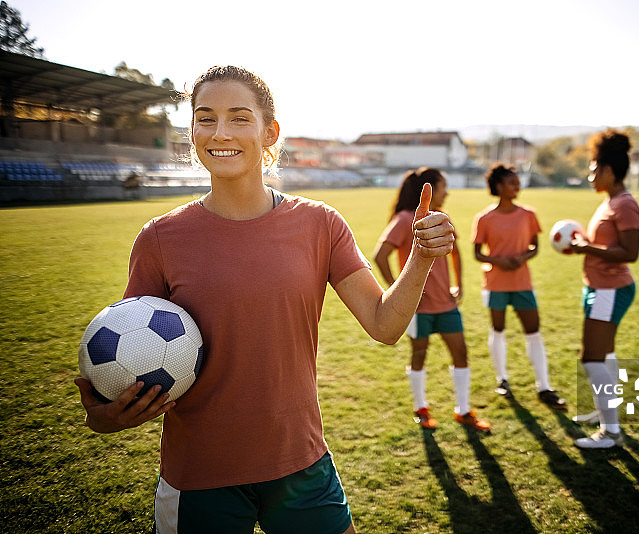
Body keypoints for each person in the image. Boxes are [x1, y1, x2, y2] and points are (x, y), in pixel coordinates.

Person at [74, 65, 456, 534]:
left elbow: (384, 324)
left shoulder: (320, 223)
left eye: (239, 117)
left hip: (301, 463)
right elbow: (129, 360)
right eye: (205, 118)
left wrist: (421, 256)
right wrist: (107, 416)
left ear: (269, 131)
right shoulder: (160, 239)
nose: (220, 132)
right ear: (192, 130)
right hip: (199, 476)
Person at [374, 168, 490, 433]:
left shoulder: (441, 217)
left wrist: (458, 285)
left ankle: (463, 410)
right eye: (443, 186)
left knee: (461, 352)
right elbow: (380, 255)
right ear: (429, 189)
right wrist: (400, 290)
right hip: (418, 309)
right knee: (420, 355)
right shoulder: (405, 219)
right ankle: (421, 408)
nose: (447, 192)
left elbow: (456, 251)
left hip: (446, 305)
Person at [471, 164, 566, 409]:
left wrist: (522, 258)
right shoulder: (484, 218)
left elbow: (535, 247)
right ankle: (502, 379)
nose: (517, 186)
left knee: (533, 330)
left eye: (518, 182)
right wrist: (499, 261)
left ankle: (544, 385)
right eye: (512, 182)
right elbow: (477, 254)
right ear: (499, 186)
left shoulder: (528, 214)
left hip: (522, 283)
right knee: (498, 330)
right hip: (495, 284)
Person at [570, 129, 639, 449]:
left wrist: (587, 248)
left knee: (591, 358)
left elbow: (630, 252)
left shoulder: (624, 204)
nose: (590, 175)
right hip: (599, 288)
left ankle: (610, 432)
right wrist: (584, 247)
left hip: (609, 291)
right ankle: (603, 412)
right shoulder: (611, 201)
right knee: (605, 354)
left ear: (609, 170)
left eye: (594, 168)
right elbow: (604, 245)